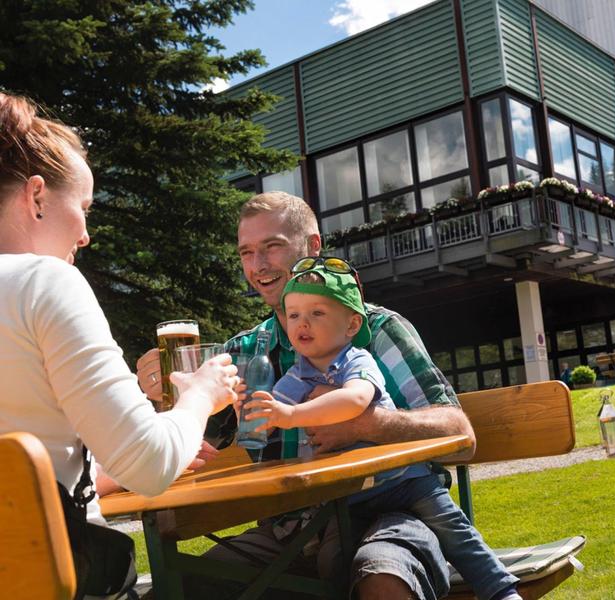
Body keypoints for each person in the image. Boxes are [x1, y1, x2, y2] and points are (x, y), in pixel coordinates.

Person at [136, 192, 476, 599]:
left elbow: (460, 433)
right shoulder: (246, 350)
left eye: (272, 247)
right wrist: (162, 395)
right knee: (172, 593)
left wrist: (369, 423)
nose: (258, 266)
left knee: (382, 579)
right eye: (247, 252)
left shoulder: (373, 328)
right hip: (289, 531)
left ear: (313, 246)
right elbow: (190, 438)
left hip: (390, 512)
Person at [0, 92, 238, 592]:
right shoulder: (43, 282)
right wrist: (199, 394)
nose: (85, 233)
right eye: (83, 207)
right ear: (37, 196)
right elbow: (150, 465)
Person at [241, 261, 520, 600]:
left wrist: (290, 414)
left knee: (457, 534)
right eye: (294, 315)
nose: (303, 324)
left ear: (352, 324)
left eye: (317, 313)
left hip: (406, 481)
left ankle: (502, 592)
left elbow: (355, 400)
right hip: (349, 495)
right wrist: (259, 413)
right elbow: (271, 411)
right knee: (335, 560)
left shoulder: (356, 359)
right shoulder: (298, 376)